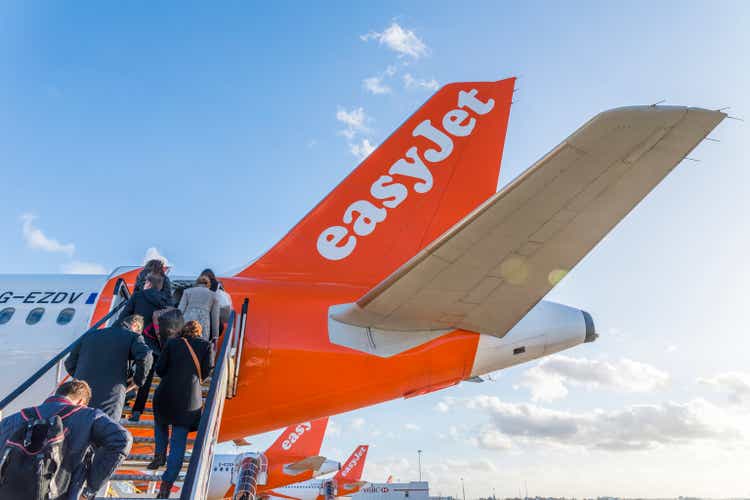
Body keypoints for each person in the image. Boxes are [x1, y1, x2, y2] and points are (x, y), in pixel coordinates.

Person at [0, 380, 131, 500]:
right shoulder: (89, 416)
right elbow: (123, 439)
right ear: (81, 402)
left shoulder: (12, 420)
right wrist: (91, 488)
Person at [149, 321, 213, 498]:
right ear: (199, 332)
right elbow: (206, 371)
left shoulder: (172, 343)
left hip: (167, 392)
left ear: (183, 330)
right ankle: (166, 485)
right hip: (189, 398)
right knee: (178, 443)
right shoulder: (206, 345)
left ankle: (159, 454)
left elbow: (160, 369)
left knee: (160, 422)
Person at [64, 315, 153, 421]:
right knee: (105, 432)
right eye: (138, 331)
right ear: (134, 325)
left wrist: (84, 379)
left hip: (81, 395)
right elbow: (146, 355)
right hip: (110, 398)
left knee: (78, 431)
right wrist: (137, 381)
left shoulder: (90, 335)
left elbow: (69, 363)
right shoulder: (132, 336)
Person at [120, 274, 171, 421]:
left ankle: (122, 401)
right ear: (161, 286)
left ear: (148, 283)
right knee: (146, 379)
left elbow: (124, 316)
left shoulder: (138, 296)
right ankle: (137, 411)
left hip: (134, 341)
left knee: (125, 372)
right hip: (155, 346)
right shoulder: (166, 301)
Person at [178, 275, 220, 342]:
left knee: (184, 343)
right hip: (204, 322)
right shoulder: (214, 295)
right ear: (208, 284)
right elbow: (215, 318)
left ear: (197, 283)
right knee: (201, 345)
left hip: (187, 320)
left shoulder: (187, 291)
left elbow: (180, 310)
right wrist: (215, 336)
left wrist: (177, 330)